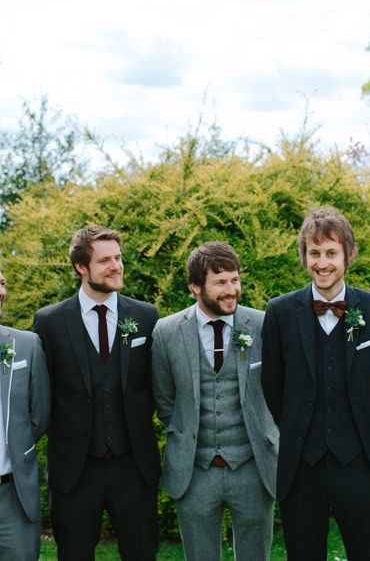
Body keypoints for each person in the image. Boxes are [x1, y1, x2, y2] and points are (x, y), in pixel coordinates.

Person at [261, 206, 370, 561]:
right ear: (304, 256)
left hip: (360, 463)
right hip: (301, 465)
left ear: (349, 255)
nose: (323, 263)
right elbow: (273, 386)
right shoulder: (279, 313)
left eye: (331, 253)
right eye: (314, 253)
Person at [33, 225, 160, 560]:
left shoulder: (146, 317)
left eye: (118, 257)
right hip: (75, 471)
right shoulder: (49, 323)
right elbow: (42, 395)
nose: (116, 266)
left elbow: (157, 388)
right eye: (105, 260)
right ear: (81, 268)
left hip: (134, 467)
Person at [152, 241, 278, 560]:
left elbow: (280, 391)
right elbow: (165, 401)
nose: (231, 289)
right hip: (195, 470)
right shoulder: (166, 332)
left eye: (235, 280)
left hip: (253, 466)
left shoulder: (264, 325)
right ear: (196, 287)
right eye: (220, 282)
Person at [0, 270, 51, 560]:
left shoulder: (27, 345)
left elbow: (39, 415)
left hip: (13, 495)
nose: (2, 292)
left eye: (3, 283)